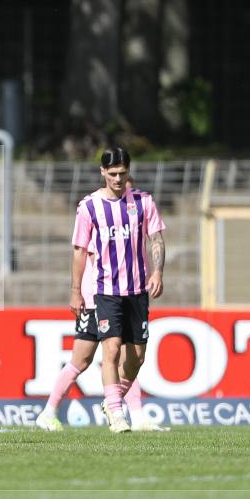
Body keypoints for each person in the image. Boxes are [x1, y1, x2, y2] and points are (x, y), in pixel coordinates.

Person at [36, 178, 168, 432]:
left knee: (125, 356)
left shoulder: (132, 213)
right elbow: (83, 253)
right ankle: (49, 411)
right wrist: (78, 293)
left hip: (118, 293)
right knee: (82, 359)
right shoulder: (97, 215)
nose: (123, 189)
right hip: (95, 294)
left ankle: (136, 415)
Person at [65, 147, 165, 433]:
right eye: (113, 174)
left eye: (122, 173)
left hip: (136, 290)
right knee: (111, 350)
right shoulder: (89, 207)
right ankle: (117, 414)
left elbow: (156, 238)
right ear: (102, 173)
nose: (118, 179)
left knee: (137, 358)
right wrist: (76, 290)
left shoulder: (143, 202)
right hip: (106, 290)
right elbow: (79, 250)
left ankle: (113, 399)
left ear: (128, 171)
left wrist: (157, 270)